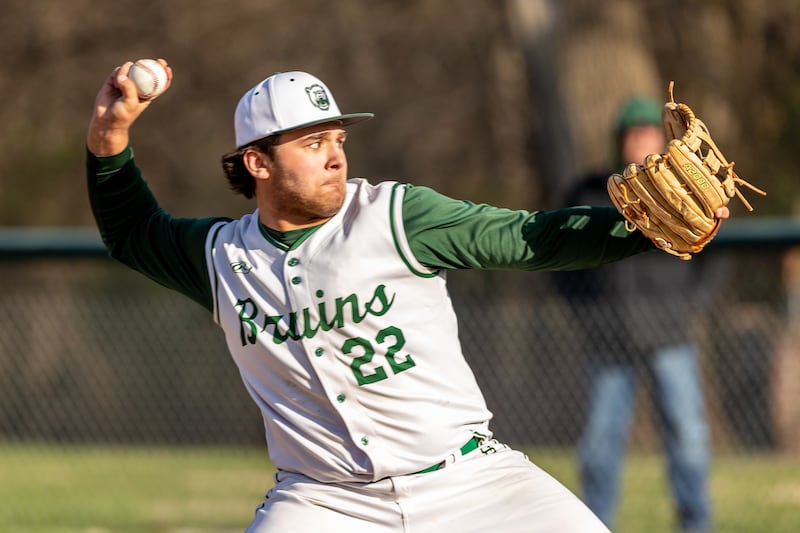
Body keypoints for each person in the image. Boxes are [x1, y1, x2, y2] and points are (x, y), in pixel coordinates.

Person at [85, 60, 726, 532]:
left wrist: (636, 229)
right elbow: (132, 231)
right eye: (312, 142)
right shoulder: (220, 258)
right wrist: (110, 135)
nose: (335, 155)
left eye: (337, 138)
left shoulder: (395, 215)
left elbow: (531, 237)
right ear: (257, 163)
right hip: (323, 501)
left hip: (471, 479)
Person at [557, 97, 715, 532]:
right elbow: (555, 254)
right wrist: (583, 308)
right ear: (618, 141)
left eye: (648, 131)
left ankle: (696, 524)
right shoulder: (592, 192)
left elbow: (715, 251)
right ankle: (595, 523)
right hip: (609, 337)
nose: (640, 139)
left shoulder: (685, 185)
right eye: (632, 133)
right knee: (601, 442)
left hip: (670, 332)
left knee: (688, 437)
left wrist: (694, 301)